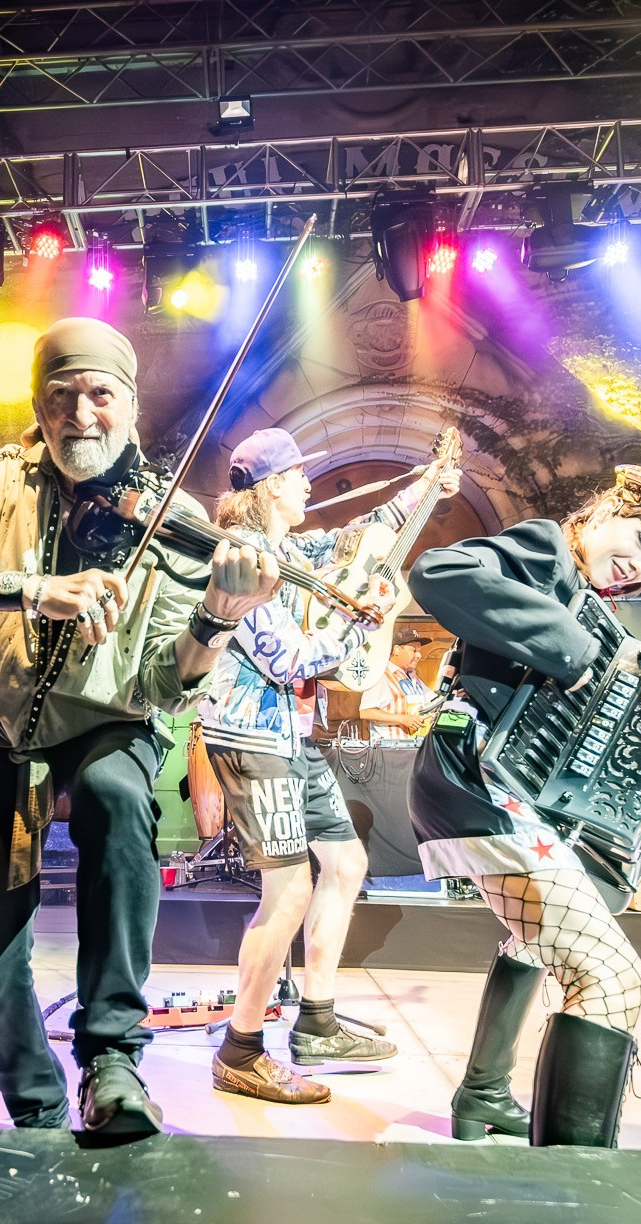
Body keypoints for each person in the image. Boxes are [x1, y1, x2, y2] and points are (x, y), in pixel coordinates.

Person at [0, 317, 280, 1136]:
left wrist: (216, 617)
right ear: (38, 406)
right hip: (6, 731)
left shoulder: (168, 515)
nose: (80, 413)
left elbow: (165, 681)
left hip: (110, 720)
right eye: (60, 396)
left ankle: (111, 1061)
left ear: (130, 404)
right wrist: (29, 589)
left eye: (100, 393)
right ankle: (35, 1108)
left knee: (114, 795)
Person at [408, 465, 641, 1148]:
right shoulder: (546, 548)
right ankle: (574, 1185)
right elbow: (438, 572)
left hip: (503, 786)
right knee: (612, 976)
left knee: (534, 938)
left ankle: (483, 1092)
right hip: (478, 775)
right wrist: (575, 651)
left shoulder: (585, 594)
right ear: (605, 512)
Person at [196, 430, 459, 1104]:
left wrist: (427, 487)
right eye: (299, 475)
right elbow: (288, 659)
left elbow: (359, 534)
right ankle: (240, 1050)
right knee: (288, 893)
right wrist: (358, 624)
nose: (309, 485)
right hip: (250, 736)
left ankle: (316, 1022)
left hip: (291, 734)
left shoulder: (288, 548)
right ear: (271, 486)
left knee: (345, 864)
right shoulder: (242, 558)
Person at [359, 628, 438, 742]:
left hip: (415, 746)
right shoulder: (381, 676)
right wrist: (402, 719)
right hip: (391, 747)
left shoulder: (413, 677)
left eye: (419, 651)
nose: (419, 655)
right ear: (397, 650)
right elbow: (366, 712)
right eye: (414, 650)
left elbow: (434, 702)